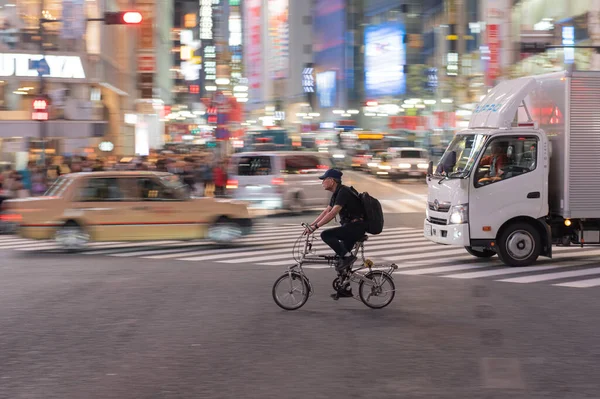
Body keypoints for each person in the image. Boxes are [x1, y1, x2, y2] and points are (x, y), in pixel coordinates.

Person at [304, 169, 366, 298]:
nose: (322, 183)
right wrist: (311, 226)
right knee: (340, 260)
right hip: (350, 227)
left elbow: (333, 214)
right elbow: (326, 211)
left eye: (324, 180)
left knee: (326, 235)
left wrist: (316, 227)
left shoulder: (344, 192)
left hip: (356, 227)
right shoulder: (337, 193)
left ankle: (348, 257)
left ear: (331, 181)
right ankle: (346, 288)